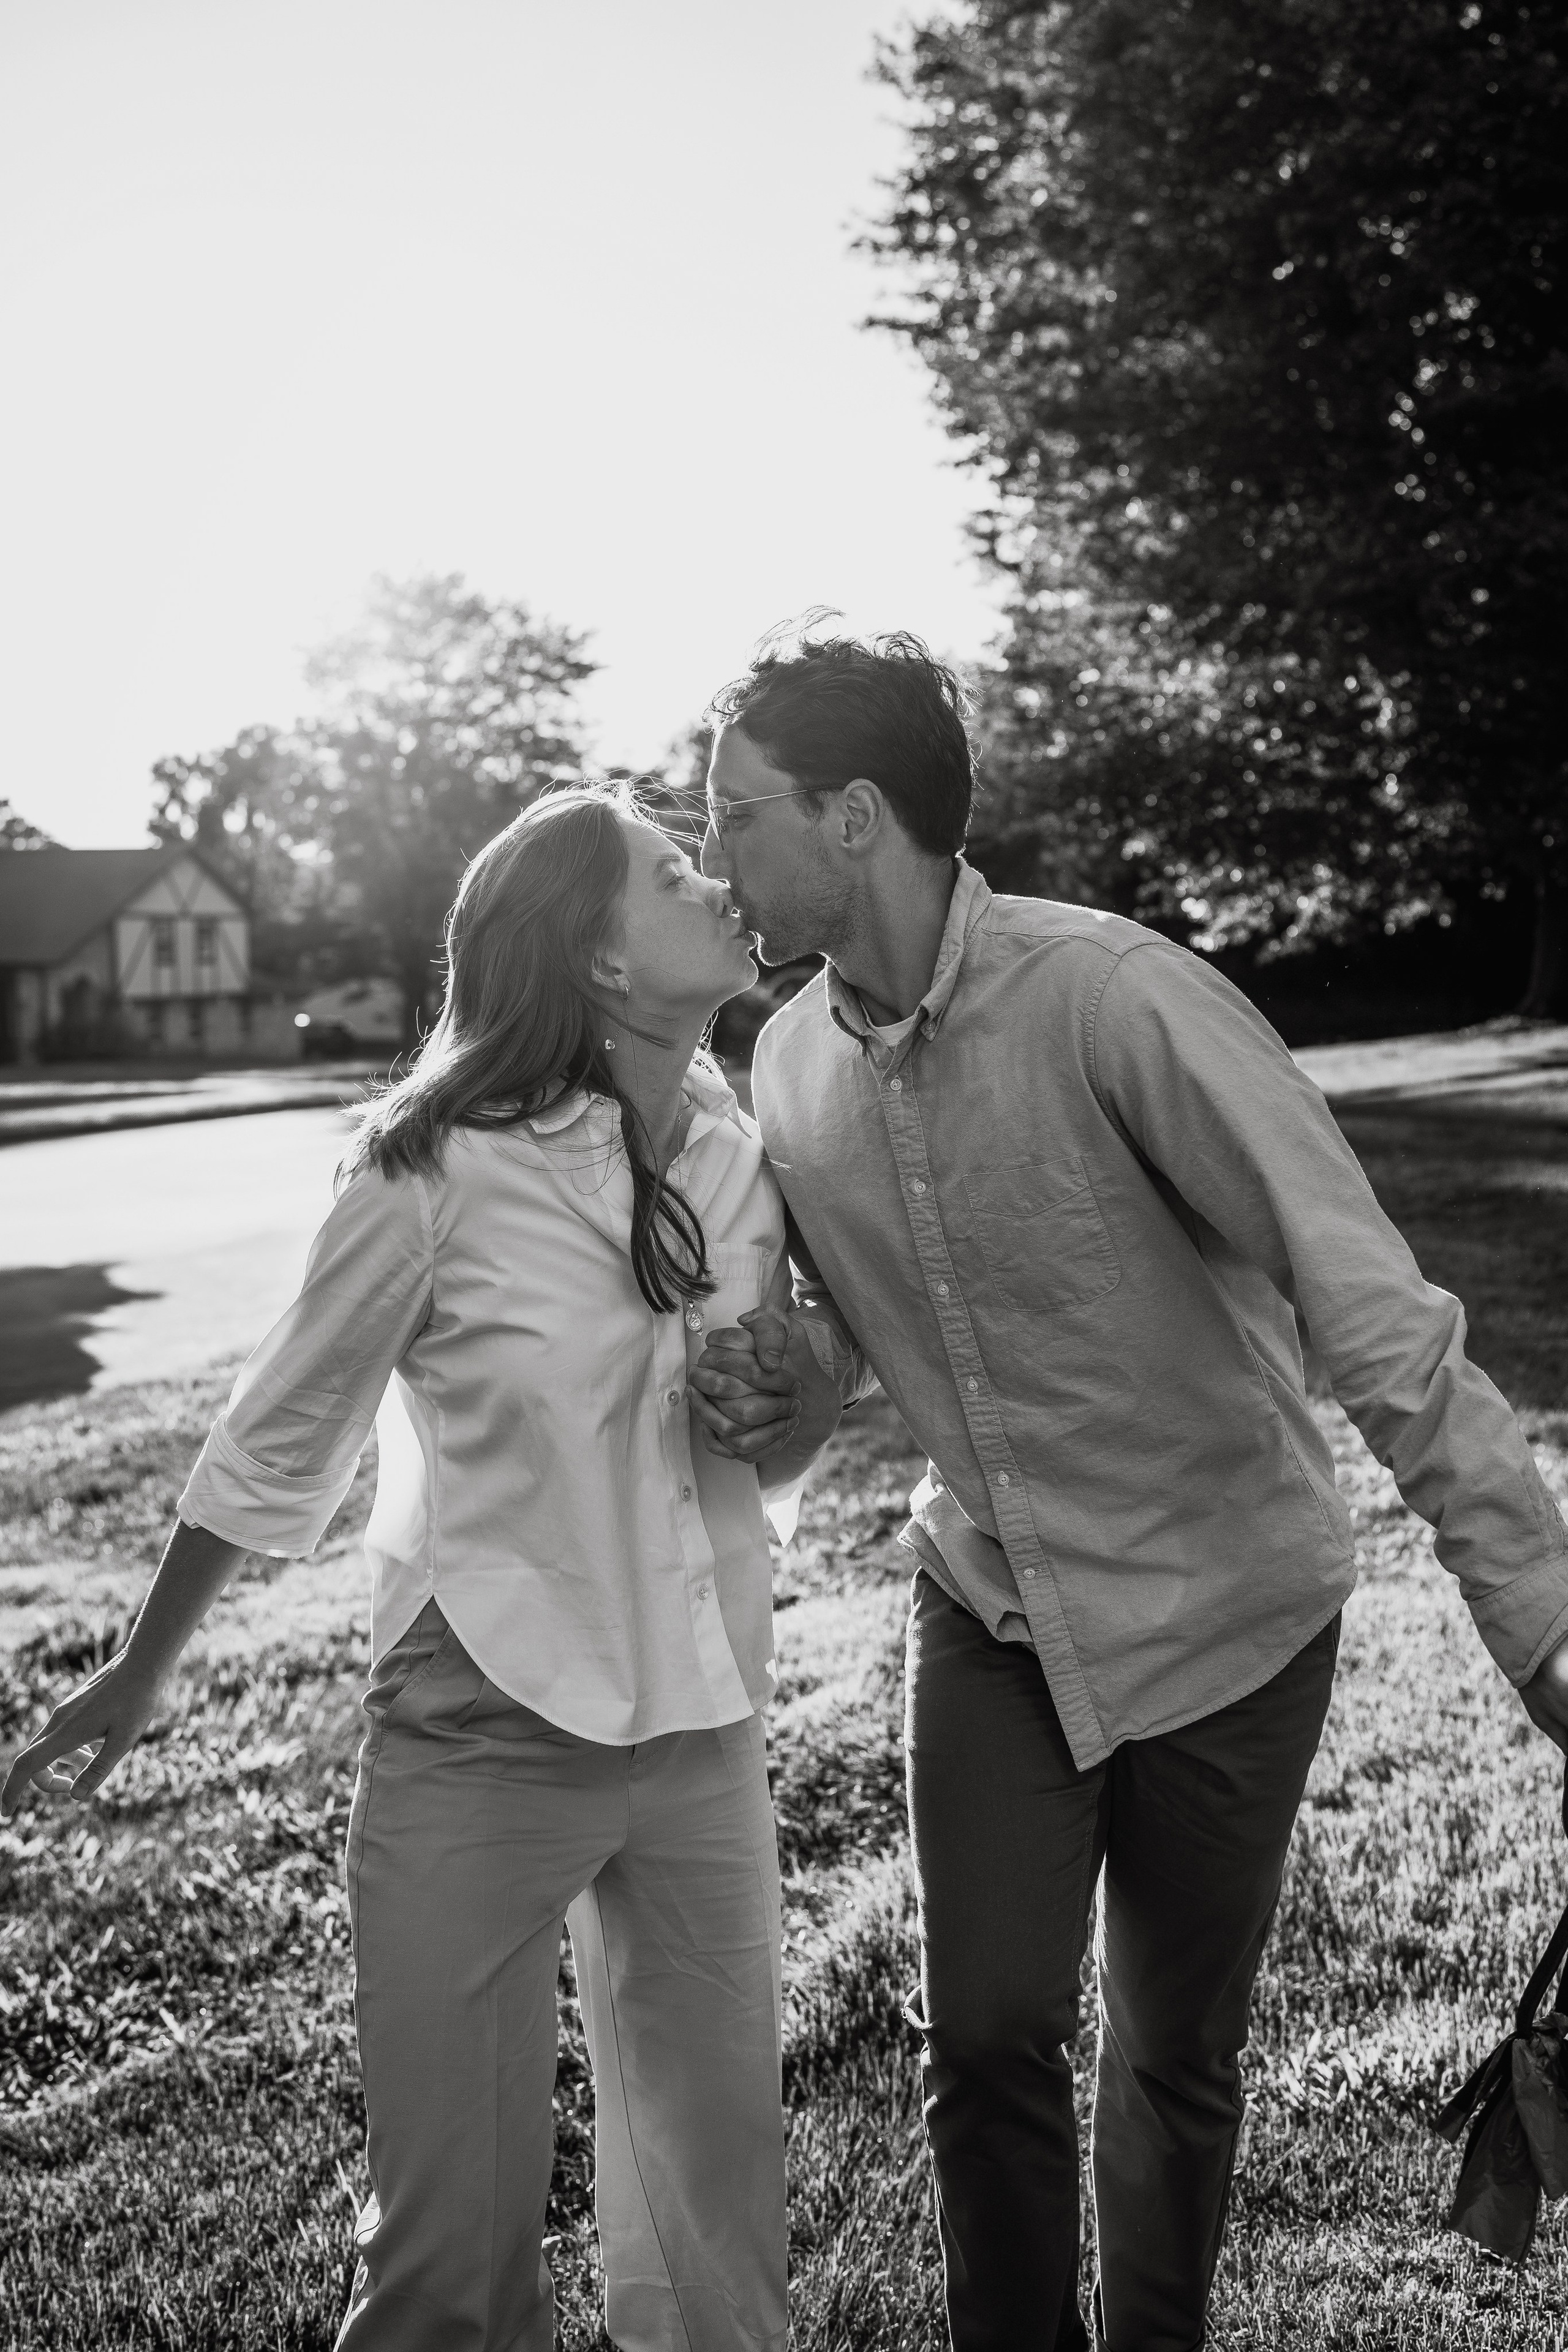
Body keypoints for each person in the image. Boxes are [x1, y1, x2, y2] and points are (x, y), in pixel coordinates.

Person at [685, 627, 1568, 2352]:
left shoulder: (1117, 998)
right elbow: (863, 1331)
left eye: (735, 812)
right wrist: (793, 1368)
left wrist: (1539, 1628)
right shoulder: (784, 1065)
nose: (715, 856)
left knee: (1175, 2056)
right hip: (994, 1610)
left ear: (855, 817)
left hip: (1227, 1613)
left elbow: (1367, 1309)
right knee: (988, 2035)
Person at [1, 785, 840, 2352]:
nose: (715, 874)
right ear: (595, 959)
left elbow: (777, 1424)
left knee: (722, 2227)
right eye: (671, 870)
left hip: (703, 1730)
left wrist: (798, 1397)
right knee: (449, 2261)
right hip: (480, 1728)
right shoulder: (433, 1166)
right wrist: (144, 1662)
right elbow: (279, 1431)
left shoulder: (746, 1151)